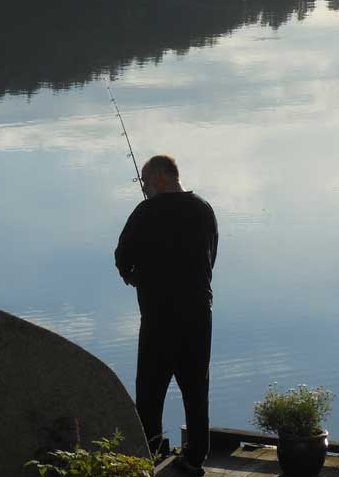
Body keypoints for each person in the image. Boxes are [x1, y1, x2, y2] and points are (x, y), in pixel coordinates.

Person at [114, 155, 218, 476]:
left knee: (149, 390)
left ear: (160, 176)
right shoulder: (203, 210)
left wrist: (132, 276)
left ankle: (152, 452)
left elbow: (122, 256)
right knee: (196, 388)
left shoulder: (145, 213)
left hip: (158, 318)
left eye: (145, 181)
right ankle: (196, 456)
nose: (144, 188)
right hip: (198, 315)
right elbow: (210, 257)